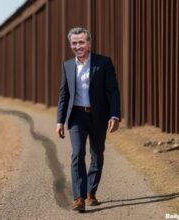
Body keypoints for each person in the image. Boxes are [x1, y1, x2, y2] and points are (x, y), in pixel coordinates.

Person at [56, 27, 121, 212]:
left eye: (81, 42)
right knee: (77, 154)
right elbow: (63, 95)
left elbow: (113, 91)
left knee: (97, 154)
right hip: (77, 116)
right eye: (74, 43)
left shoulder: (104, 62)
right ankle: (79, 198)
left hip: (99, 116)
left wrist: (114, 115)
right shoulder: (67, 66)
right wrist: (60, 121)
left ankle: (91, 192)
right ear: (70, 45)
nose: (78, 46)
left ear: (89, 43)